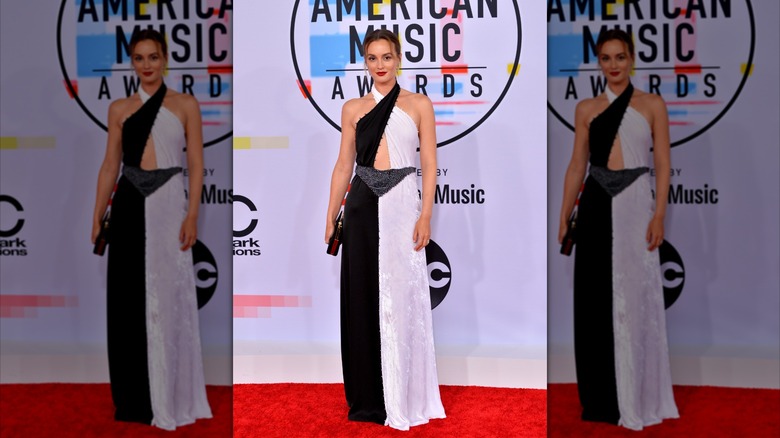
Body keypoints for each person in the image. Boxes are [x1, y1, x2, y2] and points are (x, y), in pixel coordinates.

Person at [557, 28, 680, 431]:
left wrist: (658, 213)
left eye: (620, 57)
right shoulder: (586, 109)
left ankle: (638, 391)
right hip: (594, 201)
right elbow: (578, 163)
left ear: (632, 59)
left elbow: (662, 163)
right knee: (593, 297)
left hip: (634, 201)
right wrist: (564, 213)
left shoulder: (652, 105)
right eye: (606, 58)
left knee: (636, 294)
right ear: (599, 62)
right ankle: (600, 400)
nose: (614, 65)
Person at [324, 29, 446, 431]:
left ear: (398, 59)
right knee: (361, 296)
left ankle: (404, 393)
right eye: (373, 58)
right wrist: (331, 214)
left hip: (401, 203)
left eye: (387, 57)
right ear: (365, 62)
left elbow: (429, 162)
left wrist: (425, 213)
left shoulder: (419, 105)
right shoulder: (353, 108)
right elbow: (344, 164)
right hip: (360, 203)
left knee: (402, 296)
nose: (380, 65)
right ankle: (368, 399)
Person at [91, 29, 212, 431]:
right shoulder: (119, 109)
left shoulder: (185, 105)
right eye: (139, 58)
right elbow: (110, 164)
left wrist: (192, 214)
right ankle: (133, 400)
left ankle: (171, 392)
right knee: (127, 297)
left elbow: (195, 162)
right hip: (127, 202)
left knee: (169, 295)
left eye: (153, 57)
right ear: (132, 62)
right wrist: (97, 214)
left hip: (167, 202)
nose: (147, 65)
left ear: (165, 59)